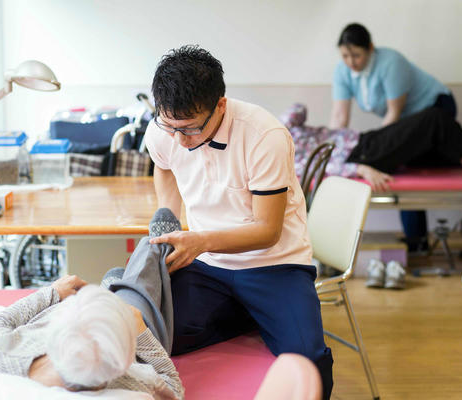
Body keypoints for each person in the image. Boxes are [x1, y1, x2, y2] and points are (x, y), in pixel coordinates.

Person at [143, 45, 334, 399]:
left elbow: (267, 231)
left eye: (191, 129)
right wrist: (169, 220)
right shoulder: (167, 129)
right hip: (208, 265)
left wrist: (199, 241)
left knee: (308, 359)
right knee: (152, 336)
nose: (180, 140)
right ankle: (247, 313)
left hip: (275, 264)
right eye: (170, 127)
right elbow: (164, 166)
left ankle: (252, 310)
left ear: (220, 106)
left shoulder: (263, 135)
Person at [329, 22, 462, 251]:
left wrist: (385, 148)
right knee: (407, 167)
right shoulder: (342, 72)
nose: (351, 61)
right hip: (402, 124)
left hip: (435, 105)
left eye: (356, 55)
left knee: (431, 127)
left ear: (370, 48)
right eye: (345, 56)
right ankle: (417, 240)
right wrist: (333, 151)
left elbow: (394, 113)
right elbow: (339, 117)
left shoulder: (391, 63)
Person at [0, 275, 184, 399]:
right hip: (126, 317)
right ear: (126, 360)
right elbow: (173, 388)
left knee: (119, 279)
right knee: (125, 276)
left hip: (106, 323)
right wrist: (141, 332)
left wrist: (53, 292)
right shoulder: (136, 384)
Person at [282, 103, 462, 191]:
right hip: (360, 155)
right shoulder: (279, 156)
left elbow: (298, 109)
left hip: (361, 139)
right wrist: (360, 169)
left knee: (434, 138)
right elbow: (313, 169)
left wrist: (279, 124)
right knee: (435, 116)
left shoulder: (281, 129)